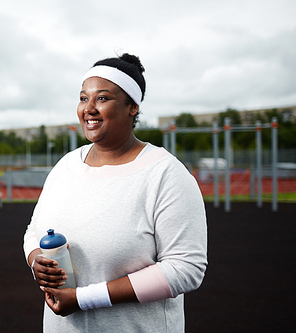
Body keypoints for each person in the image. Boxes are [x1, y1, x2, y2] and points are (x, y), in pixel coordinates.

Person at [23, 53, 207, 332]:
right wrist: (36, 257)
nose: (89, 108)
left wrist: (84, 299)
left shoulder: (165, 173)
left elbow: (186, 268)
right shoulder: (65, 166)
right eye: (84, 98)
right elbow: (33, 231)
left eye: (102, 98)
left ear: (132, 107)